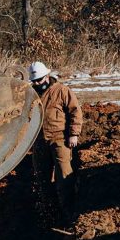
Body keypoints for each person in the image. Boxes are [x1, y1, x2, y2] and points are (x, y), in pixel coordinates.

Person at [29, 61, 83, 223]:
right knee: (43, 179)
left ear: (47, 76)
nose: (37, 83)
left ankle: (69, 214)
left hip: (60, 139)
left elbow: (75, 112)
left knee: (65, 176)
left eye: (40, 79)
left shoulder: (61, 91)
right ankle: (52, 216)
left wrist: (74, 134)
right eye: (34, 81)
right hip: (39, 141)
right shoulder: (30, 94)